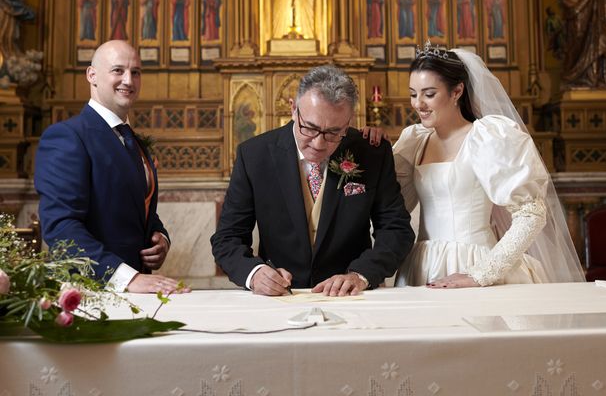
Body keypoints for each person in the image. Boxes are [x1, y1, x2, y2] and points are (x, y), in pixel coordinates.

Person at [364, 43, 585, 288]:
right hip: (421, 265)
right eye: (413, 94)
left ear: (457, 91)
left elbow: (531, 213)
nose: (418, 104)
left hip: (475, 261)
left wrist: (482, 273)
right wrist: (371, 149)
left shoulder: (488, 137)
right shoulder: (414, 141)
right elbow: (389, 206)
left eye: (429, 94)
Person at [211, 65, 414, 297]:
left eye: (333, 133)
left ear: (348, 123)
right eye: (310, 128)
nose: (318, 144)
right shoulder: (254, 155)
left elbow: (396, 230)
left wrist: (361, 275)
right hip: (280, 298)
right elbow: (227, 238)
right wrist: (255, 273)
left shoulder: (372, 152)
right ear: (293, 109)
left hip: (352, 296)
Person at [35, 40, 189, 294]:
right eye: (118, 71)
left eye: (135, 72)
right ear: (92, 75)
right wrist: (126, 278)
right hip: (89, 291)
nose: (128, 80)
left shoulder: (130, 139)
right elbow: (61, 227)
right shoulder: (67, 136)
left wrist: (160, 237)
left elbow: (134, 207)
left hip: (135, 293)